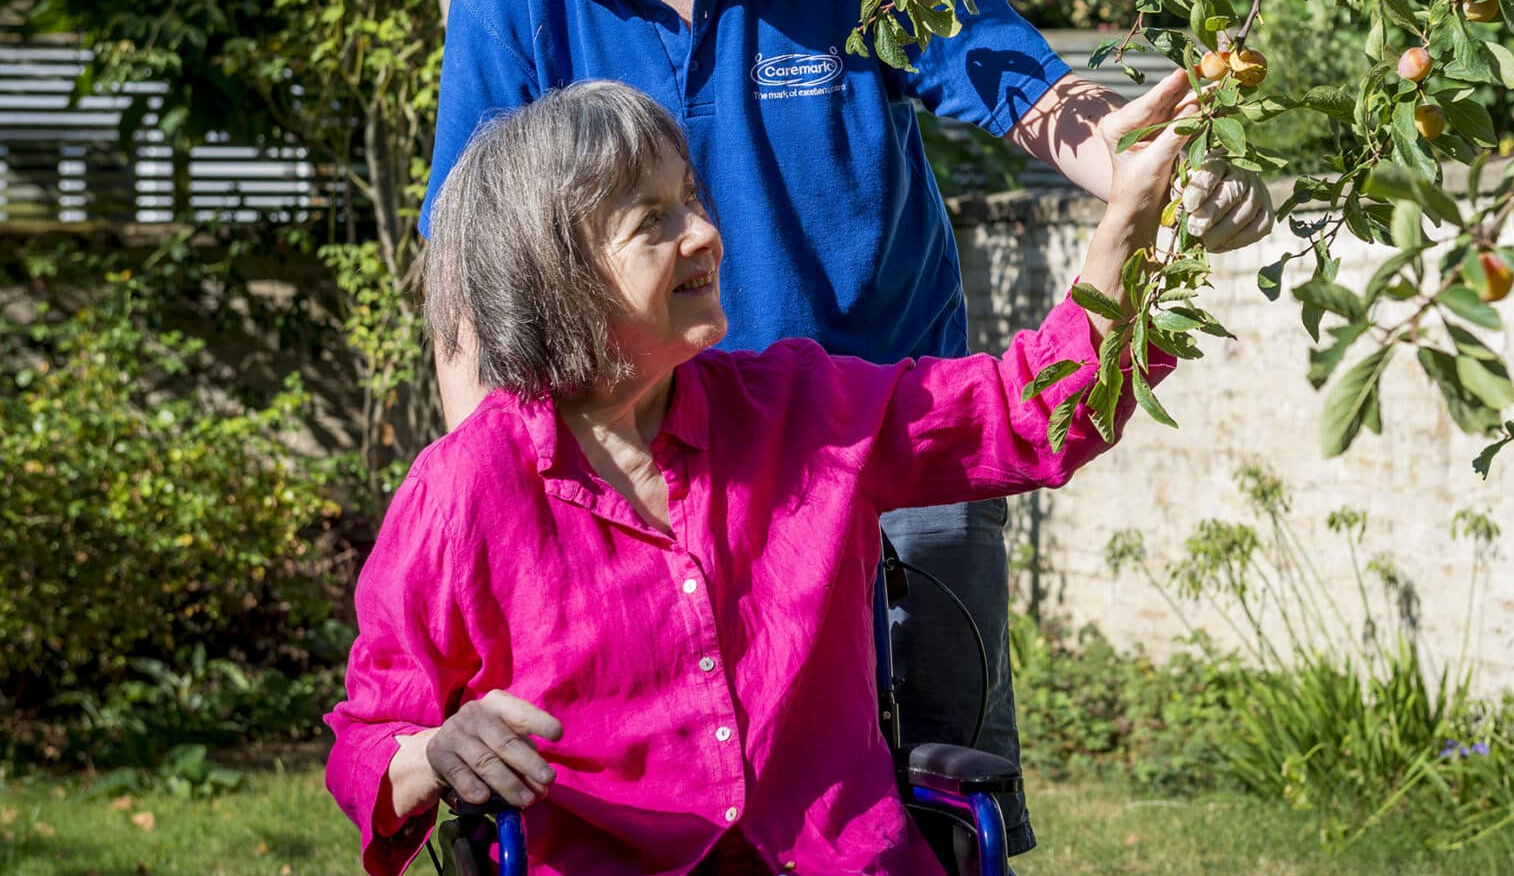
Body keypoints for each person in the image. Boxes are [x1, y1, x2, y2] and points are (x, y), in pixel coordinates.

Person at [421, 0, 1274, 853]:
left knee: (936, 791)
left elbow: (1015, 81)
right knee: (685, 805)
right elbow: (472, 289)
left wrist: (1150, 174)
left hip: (889, 432)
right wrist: (498, 512)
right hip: (658, 478)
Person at [331, 75, 1192, 875]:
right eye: (653, 219)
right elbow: (370, 729)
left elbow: (1024, 411)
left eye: (691, 199)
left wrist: (1133, 230)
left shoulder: (806, 410)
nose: (705, 232)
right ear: (557, 278)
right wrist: (428, 752)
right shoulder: (468, 487)